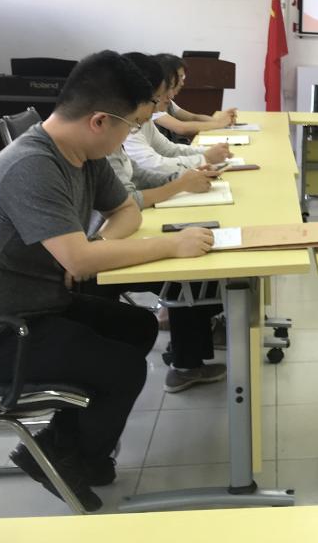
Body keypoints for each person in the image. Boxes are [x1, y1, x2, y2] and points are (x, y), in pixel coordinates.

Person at [0, 51, 214, 512]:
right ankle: (69, 459)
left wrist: (92, 247)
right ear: (100, 121)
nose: (130, 137)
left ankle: (61, 444)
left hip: (33, 304)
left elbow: (124, 211)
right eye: (131, 126)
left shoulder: (83, 152)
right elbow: (81, 261)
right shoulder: (32, 166)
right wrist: (169, 245)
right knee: (123, 368)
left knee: (137, 326)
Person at [100, 53, 227, 394]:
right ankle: (186, 363)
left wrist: (184, 178)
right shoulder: (107, 137)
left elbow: (139, 178)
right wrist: (181, 183)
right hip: (103, 255)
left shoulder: (121, 128)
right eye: (163, 92)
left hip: (116, 239)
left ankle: (202, 336)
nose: (166, 100)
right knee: (189, 268)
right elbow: (130, 199)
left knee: (196, 253)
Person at [124, 59, 233, 175]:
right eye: (168, 88)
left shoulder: (144, 118)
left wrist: (209, 152)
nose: (171, 95)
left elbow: (169, 149)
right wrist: (204, 158)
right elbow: (153, 164)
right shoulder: (129, 123)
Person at [152, 53, 238, 139]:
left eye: (183, 77)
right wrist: (219, 124)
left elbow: (193, 117)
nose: (182, 83)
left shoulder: (168, 102)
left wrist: (221, 120)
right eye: (180, 77)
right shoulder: (151, 105)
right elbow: (182, 128)